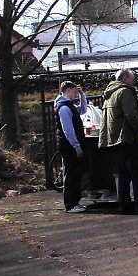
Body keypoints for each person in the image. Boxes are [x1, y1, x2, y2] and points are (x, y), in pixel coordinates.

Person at [99, 69, 138, 214]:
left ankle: (124, 204)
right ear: (125, 78)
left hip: (114, 138)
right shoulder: (125, 92)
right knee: (137, 173)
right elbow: (130, 114)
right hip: (127, 137)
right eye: (132, 78)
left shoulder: (109, 93)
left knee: (123, 173)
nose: (134, 81)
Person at [55, 81, 89, 214]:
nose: (76, 94)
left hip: (69, 145)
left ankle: (74, 202)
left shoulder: (68, 106)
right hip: (69, 146)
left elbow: (83, 110)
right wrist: (77, 146)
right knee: (71, 175)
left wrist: (82, 95)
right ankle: (70, 203)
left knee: (75, 173)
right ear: (68, 91)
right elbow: (68, 130)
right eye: (75, 92)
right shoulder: (64, 108)